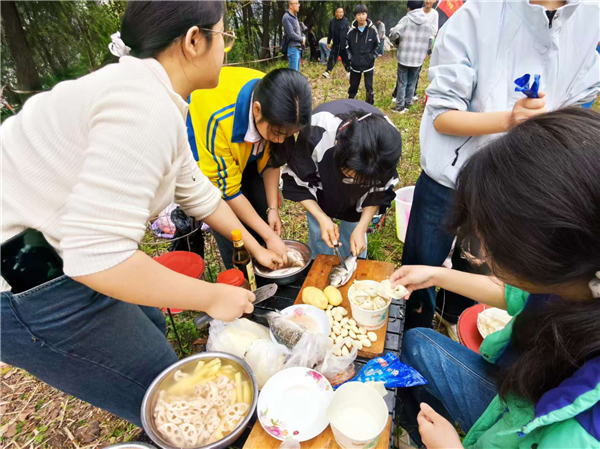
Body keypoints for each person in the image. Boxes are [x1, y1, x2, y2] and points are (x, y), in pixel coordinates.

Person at [0, 1, 282, 427]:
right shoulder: (142, 107)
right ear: (194, 41)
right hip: (29, 278)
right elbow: (99, 257)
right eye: (224, 37)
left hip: (66, 253)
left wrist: (255, 246)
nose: (226, 50)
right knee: (175, 396)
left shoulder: (156, 96)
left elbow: (197, 192)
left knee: (152, 322)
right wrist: (212, 296)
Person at [392, 108, 600, 449]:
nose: (482, 253)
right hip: (511, 397)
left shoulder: (583, 430)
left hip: (531, 427)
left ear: (543, 253)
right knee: (416, 343)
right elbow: (511, 294)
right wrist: (436, 274)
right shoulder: (574, 276)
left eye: (487, 241)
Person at [402, 0, 600, 332]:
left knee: (482, 265)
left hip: (521, 187)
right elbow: (442, 116)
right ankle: (415, 326)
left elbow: (580, 108)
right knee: (424, 258)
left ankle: (457, 321)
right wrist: (511, 120)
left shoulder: (591, 20)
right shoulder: (477, 16)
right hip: (449, 177)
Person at [188, 68, 312, 269]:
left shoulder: (278, 100)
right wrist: (266, 239)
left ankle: (263, 267)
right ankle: (242, 272)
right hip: (213, 157)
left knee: (260, 214)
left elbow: (272, 159)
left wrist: (272, 209)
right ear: (256, 109)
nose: (281, 140)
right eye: (277, 133)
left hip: (248, 149)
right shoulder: (216, 118)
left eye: (289, 135)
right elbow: (227, 192)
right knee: (236, 239)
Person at [282, 99, 401, 259]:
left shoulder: (387, 146)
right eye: (351, 175)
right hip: (322, 186)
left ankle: (353, 264)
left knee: (354, 234)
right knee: (320, 231)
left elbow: (379, 192)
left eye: (363, 181)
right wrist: (321, 217)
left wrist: (361, 227)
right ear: (337, 146)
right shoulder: (317, 129)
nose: (355, 181)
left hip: (358, 202)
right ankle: (319, 259)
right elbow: (297, 181)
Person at [389, 1, 435, 113]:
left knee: (402, 82)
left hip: (404, 56)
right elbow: (431, 40)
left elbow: (394, 33)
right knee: (412, 81)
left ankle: (400, 106)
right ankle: (408, 103)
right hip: (418, 58)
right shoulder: (427, 22)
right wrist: (425, 50)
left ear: (408, 8)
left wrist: (396, 42)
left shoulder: (406, 19)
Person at [346, 4, 380, 106]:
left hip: (368, 64)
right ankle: (350, 102)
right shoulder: (351, 31)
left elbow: (377, 45)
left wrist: (372, 57)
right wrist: (351, 58)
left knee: (369, 86)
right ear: (355, 16)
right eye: (358, 14)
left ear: (367, 15)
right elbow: (346, 46)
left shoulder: (372, 30)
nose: (361, 17)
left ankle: (369, 105)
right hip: (355, 64)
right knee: (353, 85)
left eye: (363, 14)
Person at [322, 7, 350, 78]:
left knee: (345, 58)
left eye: (342, 12)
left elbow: (349, 32)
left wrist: (349, 41)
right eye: (339, 12)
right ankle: (328, 71)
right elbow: (330, 33)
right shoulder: (332, 21)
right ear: (336, 13)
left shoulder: (345, 20)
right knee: (332, 57)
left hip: (343, 43)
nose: (341, 14)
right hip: (335, 43)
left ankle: (349, 71)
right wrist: (328, 42)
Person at [282, 0, 304, 71]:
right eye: (296, 3)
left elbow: (298, 31)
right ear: (290, 6)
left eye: (298, 3)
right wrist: (301, 39)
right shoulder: (286, 17)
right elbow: (291, 34)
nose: (298, 5)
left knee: (297, 73)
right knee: (294, 74)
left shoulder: (295, 17)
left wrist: (303, 37)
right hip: (293, 49)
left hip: (298, 48)